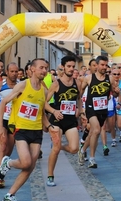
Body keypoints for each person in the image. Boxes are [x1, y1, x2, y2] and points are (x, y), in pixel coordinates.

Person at [0, 58, 50, 201]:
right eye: (41, 68)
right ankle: (8, 163)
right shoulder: (23, 85)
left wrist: (50, 127)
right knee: (26, 162)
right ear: (32, 69)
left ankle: (9, 195)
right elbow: (4, 102)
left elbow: (41, 112)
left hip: (36, 131)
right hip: (21, 129)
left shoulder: (44, 90)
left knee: (30, 167)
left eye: (46, 68)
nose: (44, 70)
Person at [44, 56, 82, 187]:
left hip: (71, 119)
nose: (71, 69)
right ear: (63, 67)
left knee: (74, 148)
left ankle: (58, 146)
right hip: (57, 120)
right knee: (55, 149)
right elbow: (44, 103)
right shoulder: (56, 83)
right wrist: (54, 111)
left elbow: (80, 98)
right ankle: (50, 176)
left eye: (73, 66)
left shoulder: (78, 82)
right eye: (69, 66)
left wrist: (80, 109)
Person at [78, 56, 120, 168]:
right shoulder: (89, 78)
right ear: (96, 65)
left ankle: (82, 151)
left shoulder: (110, 78)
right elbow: (80, 93)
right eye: (102, 65)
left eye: (106, 65)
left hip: (102, 109)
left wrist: (116, 92)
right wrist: (81, 108)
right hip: (91, 108)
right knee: (96, 130)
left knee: (93, 133)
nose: (104, 67)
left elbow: (114, 93)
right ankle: (92, 159)